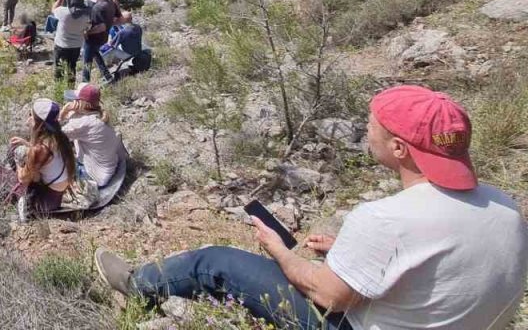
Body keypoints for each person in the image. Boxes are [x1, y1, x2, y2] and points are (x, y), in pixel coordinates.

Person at [94, 85, 528, 330]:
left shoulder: (387, 219)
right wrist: (351, 251)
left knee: (215, 261)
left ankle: (138, 285)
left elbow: (330, 298)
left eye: (373, 127)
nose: (367, 131)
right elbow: (441, 265)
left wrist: (280, 252)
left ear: (399, 148)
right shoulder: (504, 206)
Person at [9, 99, 77, 217]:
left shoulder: (41, 149)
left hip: (45, 202)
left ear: (39, 122)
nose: (29, 119)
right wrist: (26, 144)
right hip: (56, 195)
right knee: (19, 153)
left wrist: (18, 160)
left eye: (31, 116)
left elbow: (23, 178)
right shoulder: (59, 137)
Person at [61, 84, 124, 188]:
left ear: (81, 103)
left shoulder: (83, 123)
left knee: (54, 159)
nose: (71, 102)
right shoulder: (99, 114)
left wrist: (63, 113)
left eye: (75, 100)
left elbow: (54, 136)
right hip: (108, 169)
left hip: (94, 176)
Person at [50, 0, 90, 81]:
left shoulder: (63, 12)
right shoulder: (87, 13)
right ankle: (70, 90)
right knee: (72, 68)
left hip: (62, 45)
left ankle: (59, 90)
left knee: (59, 69)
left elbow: (53, 8)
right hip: (76, 45)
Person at [81, 0, 117, 83]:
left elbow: (101, 27)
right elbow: (115, 19)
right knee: (96, 54)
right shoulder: (110, 3)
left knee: (87, 62)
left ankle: (85, 84)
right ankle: (107, 75)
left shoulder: (97, 7)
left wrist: (87, 33)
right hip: (104, 37)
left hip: (94, 38)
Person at [99, 11, 141, 83]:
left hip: (127, 54)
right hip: (137, 50)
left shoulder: (122, 32)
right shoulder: (138, 27)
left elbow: (112, 45)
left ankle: (110, 65)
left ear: (123, 20)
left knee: (106, 51)